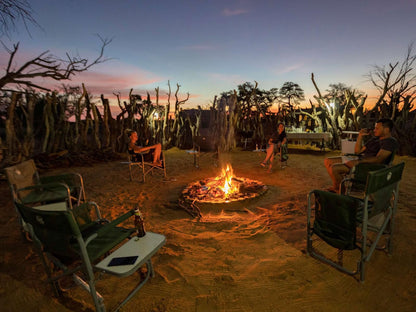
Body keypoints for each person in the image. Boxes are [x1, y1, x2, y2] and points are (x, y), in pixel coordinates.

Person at [324, 118, 398, 193]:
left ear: (386, 129)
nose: (374, 130)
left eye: (377, 128)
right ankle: (339, 187)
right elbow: (357, 151)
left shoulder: (390, 142)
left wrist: (359, 161)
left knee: (334, 168)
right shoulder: (375, 139)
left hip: (367, 167)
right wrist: (360, 136)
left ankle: (340, 190)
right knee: (328, 161)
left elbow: (379, 159)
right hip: (359, 160)